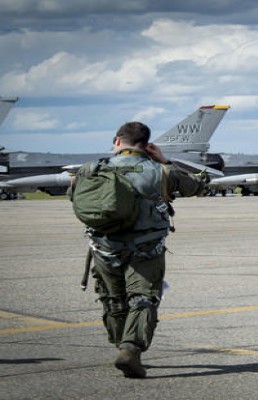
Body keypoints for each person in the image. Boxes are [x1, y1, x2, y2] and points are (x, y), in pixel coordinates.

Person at [72, 122, 207, 378]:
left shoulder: (90, 169)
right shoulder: (160, 171)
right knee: (143, 298)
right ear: (147, 146)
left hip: (104, 247)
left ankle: (120, 344)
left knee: (113, 300)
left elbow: (76, 200)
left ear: (116, 141)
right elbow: (197, 186)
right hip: (146, 248)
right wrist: (165, 162)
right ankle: (131, 349)